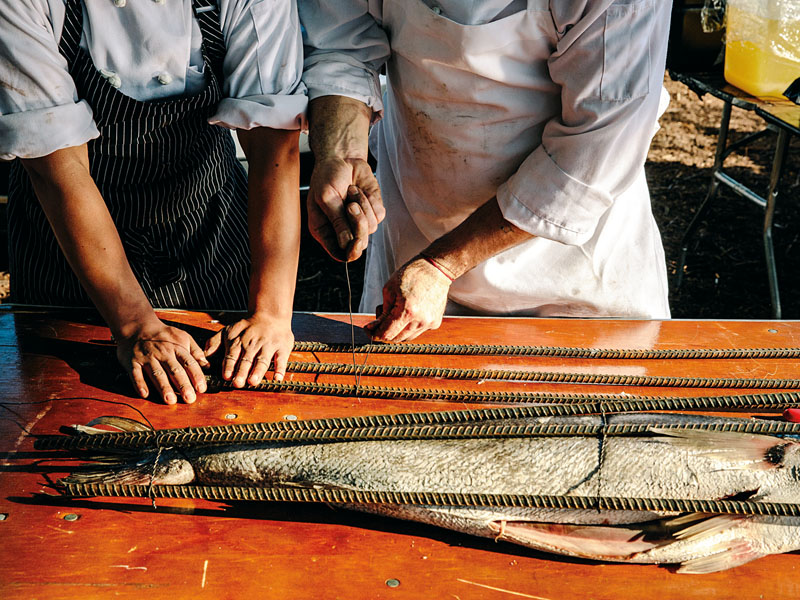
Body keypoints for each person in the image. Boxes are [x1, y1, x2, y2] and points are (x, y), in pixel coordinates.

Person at [299, 0, 672, 342]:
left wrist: (443, 264)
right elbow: (339, 46)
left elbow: (596, 147)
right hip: (417, 235)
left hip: (575, 272)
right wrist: (342, 153)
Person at [0, 0, 307, 403]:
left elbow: (274, 146)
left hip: (207, 225)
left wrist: (271, 313)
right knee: (66, 405)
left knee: (227, 400)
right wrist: (133, 324)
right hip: (67, 242)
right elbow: (59, 170)